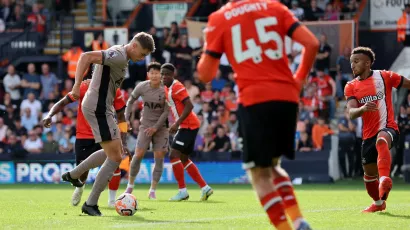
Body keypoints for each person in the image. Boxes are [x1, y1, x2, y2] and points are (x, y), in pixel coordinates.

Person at [197, 1, 319, 229]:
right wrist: (299, 79)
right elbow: (312, 43)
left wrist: (208, 44)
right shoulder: (275, 7)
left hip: (254, 99)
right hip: (287, 97)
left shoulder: (219, 18)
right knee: (272, 166)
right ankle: (300, 221)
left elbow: (206, 74)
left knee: (258, 174)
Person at [60, 32, 155, 216]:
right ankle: (91, 203)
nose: (141, 58)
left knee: (115, 152)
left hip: (103, 106)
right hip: (98, 106)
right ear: (134, 46)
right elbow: (85, 56)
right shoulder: (119, 55)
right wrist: (76, 85)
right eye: (142, 54)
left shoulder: (122, 56)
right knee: (115, 157)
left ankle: (74, 175)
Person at [42, 78, 128, 207]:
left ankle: (111, 200)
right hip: (84, 134)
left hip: (106, 133)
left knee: (114, 162)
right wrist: (50, 115)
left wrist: (123, 141)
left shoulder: (114, 89)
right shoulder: (84, 87)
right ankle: (80, 187)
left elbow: (121, 116)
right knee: (82, 170)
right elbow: (64, 101)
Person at [344, 46, 410, 212]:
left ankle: (385, 179)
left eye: (356, 61)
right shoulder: (350, 86)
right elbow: (351, 113)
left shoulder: (385, 76)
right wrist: (363, 109)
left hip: (388, 128)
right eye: (351, 62)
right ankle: (379, 203)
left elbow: (408, 83)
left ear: (367, 63)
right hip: (367, 136)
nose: (352, 65)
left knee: (382, 141)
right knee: (368, 178)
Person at [161, 63, 213, 201]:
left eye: (167, 74)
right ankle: (205, 187)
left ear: (173, 74)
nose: (164, 76)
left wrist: (176, 124)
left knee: (173, 155)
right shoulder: (167, 88)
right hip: (188, 125)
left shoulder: (177, 87)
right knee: (183, 158)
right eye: (162, 74)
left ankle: (182, 191)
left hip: (187, 125)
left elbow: (190, 105)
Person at [123, 62, 169, 200]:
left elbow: (166, 111)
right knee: (138, 154)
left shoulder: (166, 90)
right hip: (145, 125)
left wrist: (156, 127)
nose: (154, 75)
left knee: (159, 158)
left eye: (157, 73)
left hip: (161, 128)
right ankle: (130, 185)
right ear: (148, 75)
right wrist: (127, 118)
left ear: (161, 75)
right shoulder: (142, 86)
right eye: (152, 73)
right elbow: (130, 101)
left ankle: (152, 190)